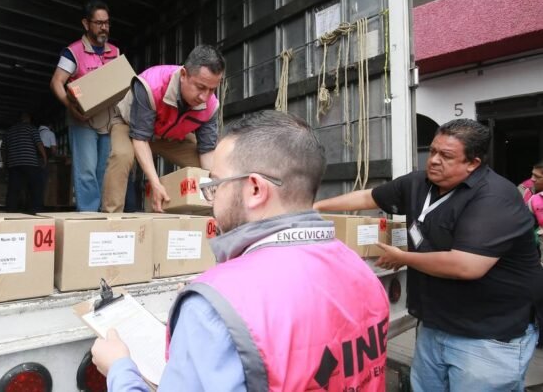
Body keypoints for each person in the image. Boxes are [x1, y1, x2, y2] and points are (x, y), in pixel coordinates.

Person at [91, 110, 390, 391]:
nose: (210, 198)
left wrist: (119, 369)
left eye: (215, 184)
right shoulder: (362, 272)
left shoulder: (212, 308)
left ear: (255, 189)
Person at [314, 119, 542, 391]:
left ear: (473, 163)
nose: (433, 160)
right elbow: (369, 197)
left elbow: (466, 265)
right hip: (435, 325)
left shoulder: (494, 197)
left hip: (487, 337)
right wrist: (313, 207)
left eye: (446, 156)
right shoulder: (419, 183)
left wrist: (403, 257)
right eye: (433, 151)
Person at [102, 45, 225, 213]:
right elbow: (140, 139)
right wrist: (155, 183)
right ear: (183, 75)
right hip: (130, 126)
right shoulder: (151, 85)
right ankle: (111, 217)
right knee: (122, 155)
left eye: (212, 89)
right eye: (201, 87)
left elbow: (207, 151)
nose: (205, 97)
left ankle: (206, 218)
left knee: (207, 171)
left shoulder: (210, 105)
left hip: (170, 134)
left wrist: (214, 185)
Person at [50, 0, 124, 211]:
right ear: (86, 24)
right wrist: (70, 106)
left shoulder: (115, 52)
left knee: (104, 170)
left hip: (109, 121)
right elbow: (56, 82)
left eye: (107, 23)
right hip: (83, 120)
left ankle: (102, 213)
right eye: (99, 23)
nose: (104, 28)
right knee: (86, 171)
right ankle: (88, 216)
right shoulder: (73, 52)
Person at [0, 112, 47, 214]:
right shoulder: (31, 128)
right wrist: (44, 157)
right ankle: (35, 209)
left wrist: (5, 163)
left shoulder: (9, 131)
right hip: (30, 163)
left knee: (13, 189)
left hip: (13, 164)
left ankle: (11, 210)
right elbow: (39, 144)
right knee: (35, 187)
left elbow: (3, 149)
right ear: (28, 118)